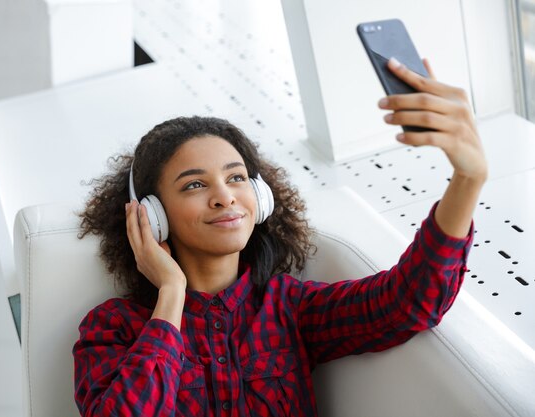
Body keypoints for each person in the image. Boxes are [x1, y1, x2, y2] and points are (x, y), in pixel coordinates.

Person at [72, 58, 487, 416]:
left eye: (236, 178)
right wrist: (171, 294)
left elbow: (408, 300)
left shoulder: (289, 308)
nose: (224, 197)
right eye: (195, 185)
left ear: (260, 197)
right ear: (151, 216)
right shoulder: (114, 328)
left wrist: (468, 178)